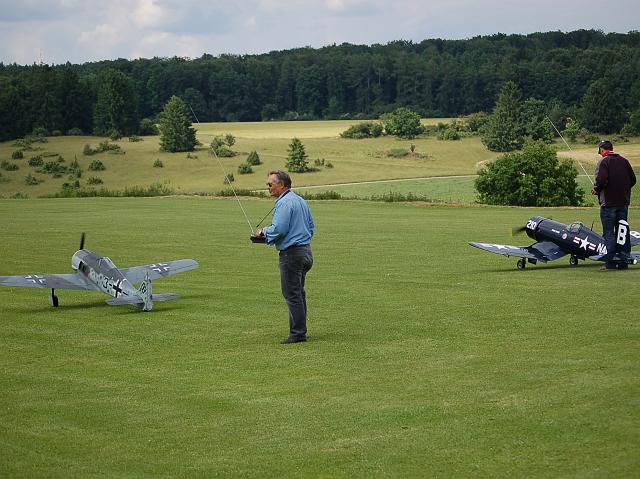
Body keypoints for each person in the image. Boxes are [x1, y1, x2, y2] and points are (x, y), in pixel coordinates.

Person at [255, 170, 315, 343]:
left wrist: (262, 232)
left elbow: (279, 228)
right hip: (306, 252)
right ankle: (300, 330)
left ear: (282, 185)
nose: (267, 187)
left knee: (292, 294)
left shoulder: (284, 203)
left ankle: (297, 333)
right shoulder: (300, 200)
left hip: (292, 254)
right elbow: (311, 227)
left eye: (270, 184)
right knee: (299, 293)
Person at [591, 140, 636, 270]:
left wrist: (596, 189)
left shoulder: (604, 162)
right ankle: (623, 260)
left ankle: (610, 261)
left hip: (608, 204)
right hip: (623, 203)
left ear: (602, 149)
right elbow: (633, 180)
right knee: (623, 230)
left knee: (609, 232)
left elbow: (600, 180)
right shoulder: (624, 161)